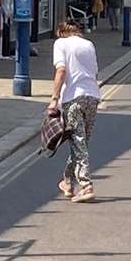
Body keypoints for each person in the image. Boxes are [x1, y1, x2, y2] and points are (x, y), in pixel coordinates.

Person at [49, 17, 101, 204]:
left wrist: (54, 99)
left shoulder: (60, 44)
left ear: (61, 32)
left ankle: (86, 185)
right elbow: (95, 72)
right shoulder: (89, 45)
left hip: (73, 98)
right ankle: (67, 182)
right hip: (93, 97)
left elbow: (61, 71)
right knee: (81, 144)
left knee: (79, 143)